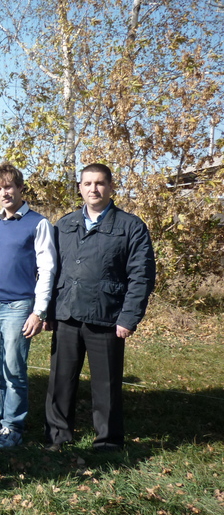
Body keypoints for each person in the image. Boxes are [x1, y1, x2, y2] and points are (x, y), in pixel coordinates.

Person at [45, 163, 155, 452]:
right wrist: (48, 311)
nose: (93, 189)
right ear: (80, 187)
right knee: (60, 381)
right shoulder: (64, 225)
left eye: (100, 183)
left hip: (107, 317)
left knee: (106, 385)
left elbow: (141, 276)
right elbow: (50, 270)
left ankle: (107, 441)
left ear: (110, 187)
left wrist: (129, 317)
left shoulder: (130, 227)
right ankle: (58, 436)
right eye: (87, 183)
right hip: (66, 313)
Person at [0, 163, 56, 449]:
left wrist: (39, 311)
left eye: (9, 186)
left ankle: (12, 427)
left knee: (13, 369)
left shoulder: (37, 223)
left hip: (19, 306)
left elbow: (47, 269)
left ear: (20, 188)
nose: (4, 193)